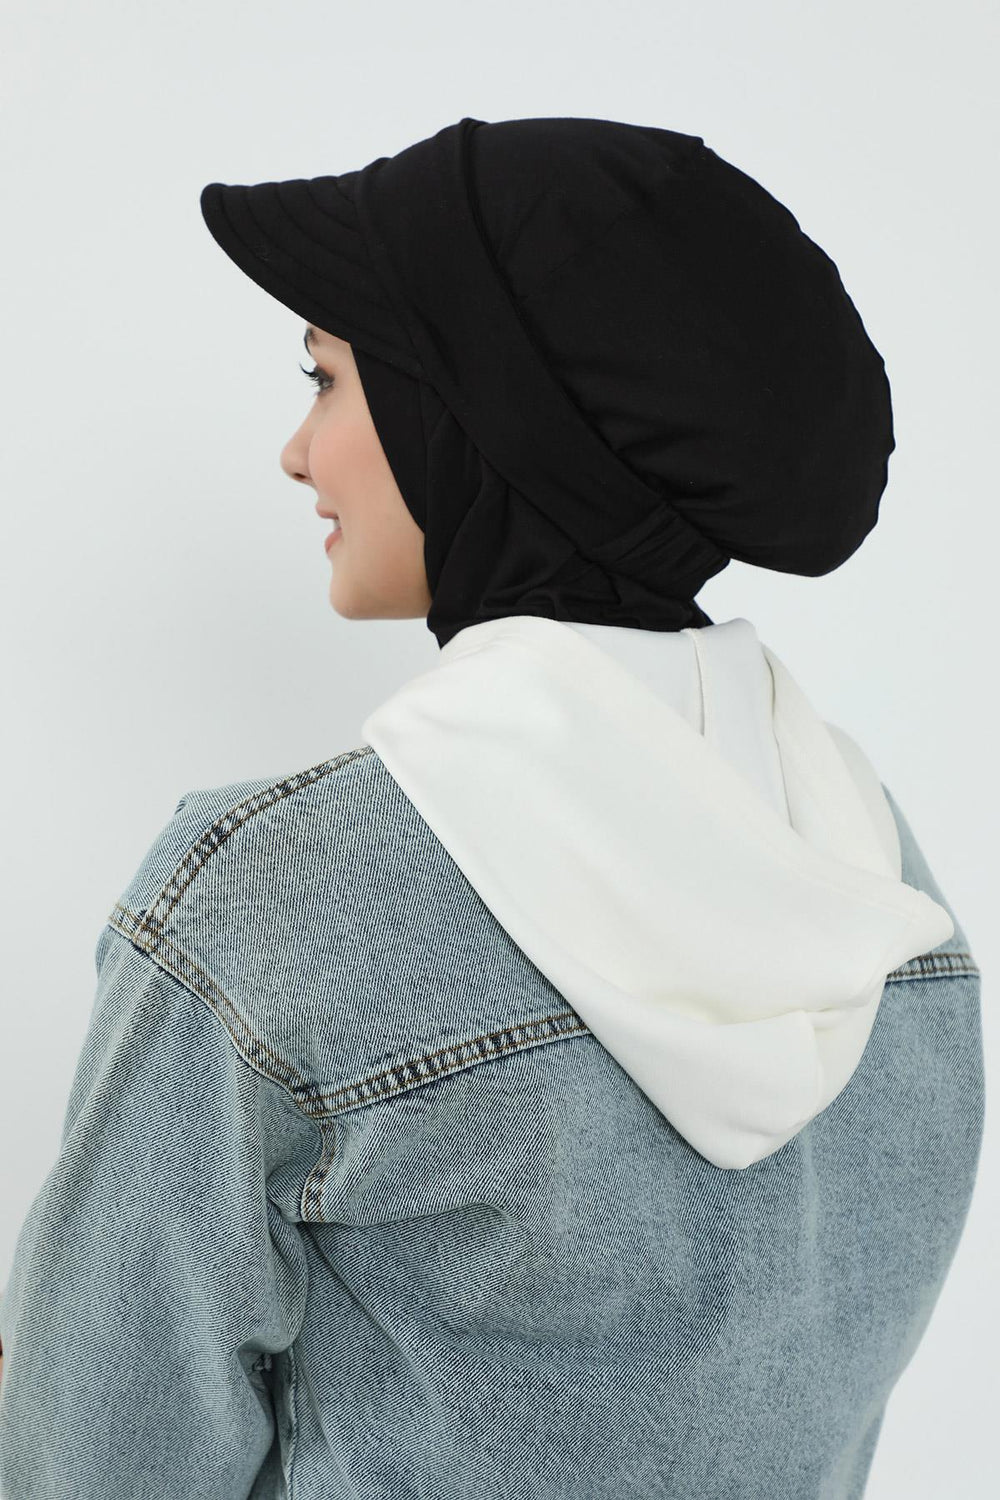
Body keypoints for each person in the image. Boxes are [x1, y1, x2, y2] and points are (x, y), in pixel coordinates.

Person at [0, 116, 984, 1500]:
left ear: (478, 406)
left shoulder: (265, 904)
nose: (297, 452)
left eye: (326, 379)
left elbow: (90, 1465)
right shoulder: (890, 893)